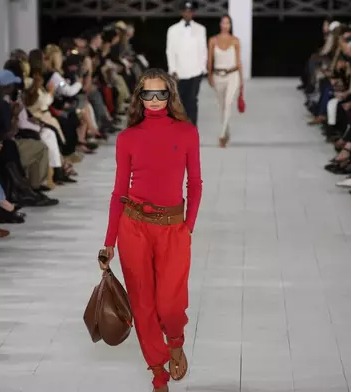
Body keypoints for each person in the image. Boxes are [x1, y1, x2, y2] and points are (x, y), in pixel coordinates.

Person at [101, 68, 202, 392]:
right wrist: (109, 243)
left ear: (170, 96)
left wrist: (188, 226)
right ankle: (158, 373)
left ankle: (175, 342)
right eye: (149, 94)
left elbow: (195, 183)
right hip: (134, 228)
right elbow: (119, 191)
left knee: (171, 305)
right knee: (143, 304)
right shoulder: (127, 138)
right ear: (140, 98)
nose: (155, 100)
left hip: (173, 228)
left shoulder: (187, 133)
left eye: (161, 93)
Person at [166, 1, 207, 126]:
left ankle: (192, 128)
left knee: (192, 101)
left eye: (190, 11)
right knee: (179, 101)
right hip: (179, 72)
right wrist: (173, 70)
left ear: (193, 12)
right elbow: (170, 51)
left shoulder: (201, 29)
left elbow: (203, 50)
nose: (187, 13)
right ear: (182, 12)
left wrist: (202, 69)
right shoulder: (172, 30)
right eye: (185, 11)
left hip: (195, 71)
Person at [207, 14, 243, 148]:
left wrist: (242, 80)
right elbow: (210, 60)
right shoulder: (212, 40)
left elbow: (239, 61)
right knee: (222, 107)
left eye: (228, 23)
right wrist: (209, 75)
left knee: (228, 103)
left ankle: (222, 135)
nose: (225, 25)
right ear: (220, 24)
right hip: (218, 75)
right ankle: (227, 131)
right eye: (223, 22)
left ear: (230, 25)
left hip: (232, 75)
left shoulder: (235, 41)